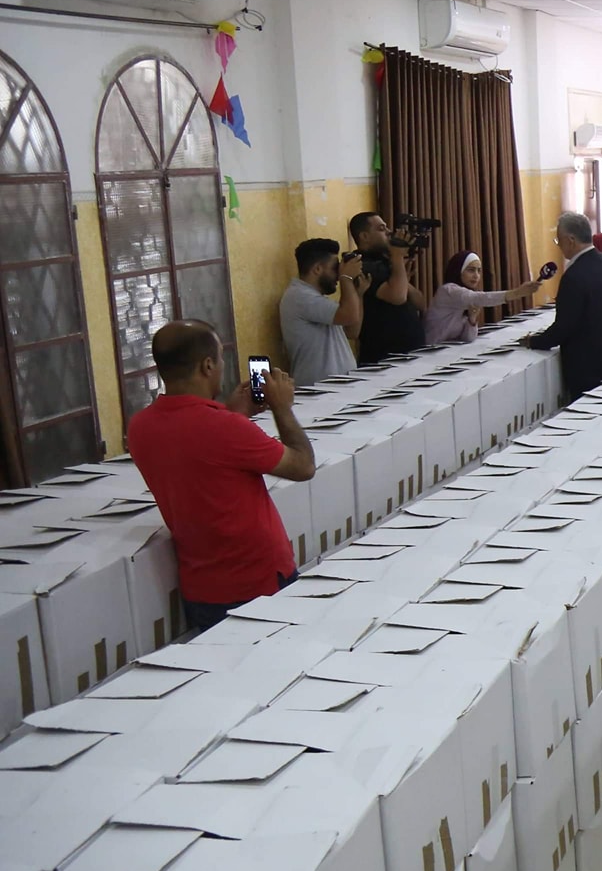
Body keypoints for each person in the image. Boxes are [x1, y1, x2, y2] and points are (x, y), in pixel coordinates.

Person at [127, 320, 313, 633]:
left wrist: (232, 413)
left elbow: (200, 456)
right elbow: (303, 466)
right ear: (208, 365)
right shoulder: (226, 428)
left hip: (203, 589)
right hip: (258, 581)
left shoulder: (139, 427)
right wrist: (282, 407)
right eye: (221, 359)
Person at [524, 212, 602, 404]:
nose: (559, 246)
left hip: (588, 367)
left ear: (570, 240)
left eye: (558, 240)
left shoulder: (573, 276)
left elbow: (564, 327)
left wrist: (533, 341)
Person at [279, 238, 362, 385]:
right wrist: (346, 278)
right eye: (335, 268)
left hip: (333, 389)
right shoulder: (300, 296)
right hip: (318, 390)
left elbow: (352, 331)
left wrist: (358, 293)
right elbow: (349, 316)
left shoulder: (315, 298)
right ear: (317, 269)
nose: (338, 275)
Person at [350, 212, 427, 364]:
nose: (389, 232)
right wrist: (397, 256)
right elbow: (398, 297)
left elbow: (420, 303)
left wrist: (398, 268)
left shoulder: (387, 262)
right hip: (384, 358)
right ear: (364, 236)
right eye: (381, 228)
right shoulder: (361, 265)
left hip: (410, 355)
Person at [427, 250, 545, 345]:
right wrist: (517, 293)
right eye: (471, 270)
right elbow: (481, 298)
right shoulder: (448, 290)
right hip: (428, 352)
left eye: (479, 271)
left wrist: (472, 320)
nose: (476, 276)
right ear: (458, 271)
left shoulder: (468, 297)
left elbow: (468, 339)